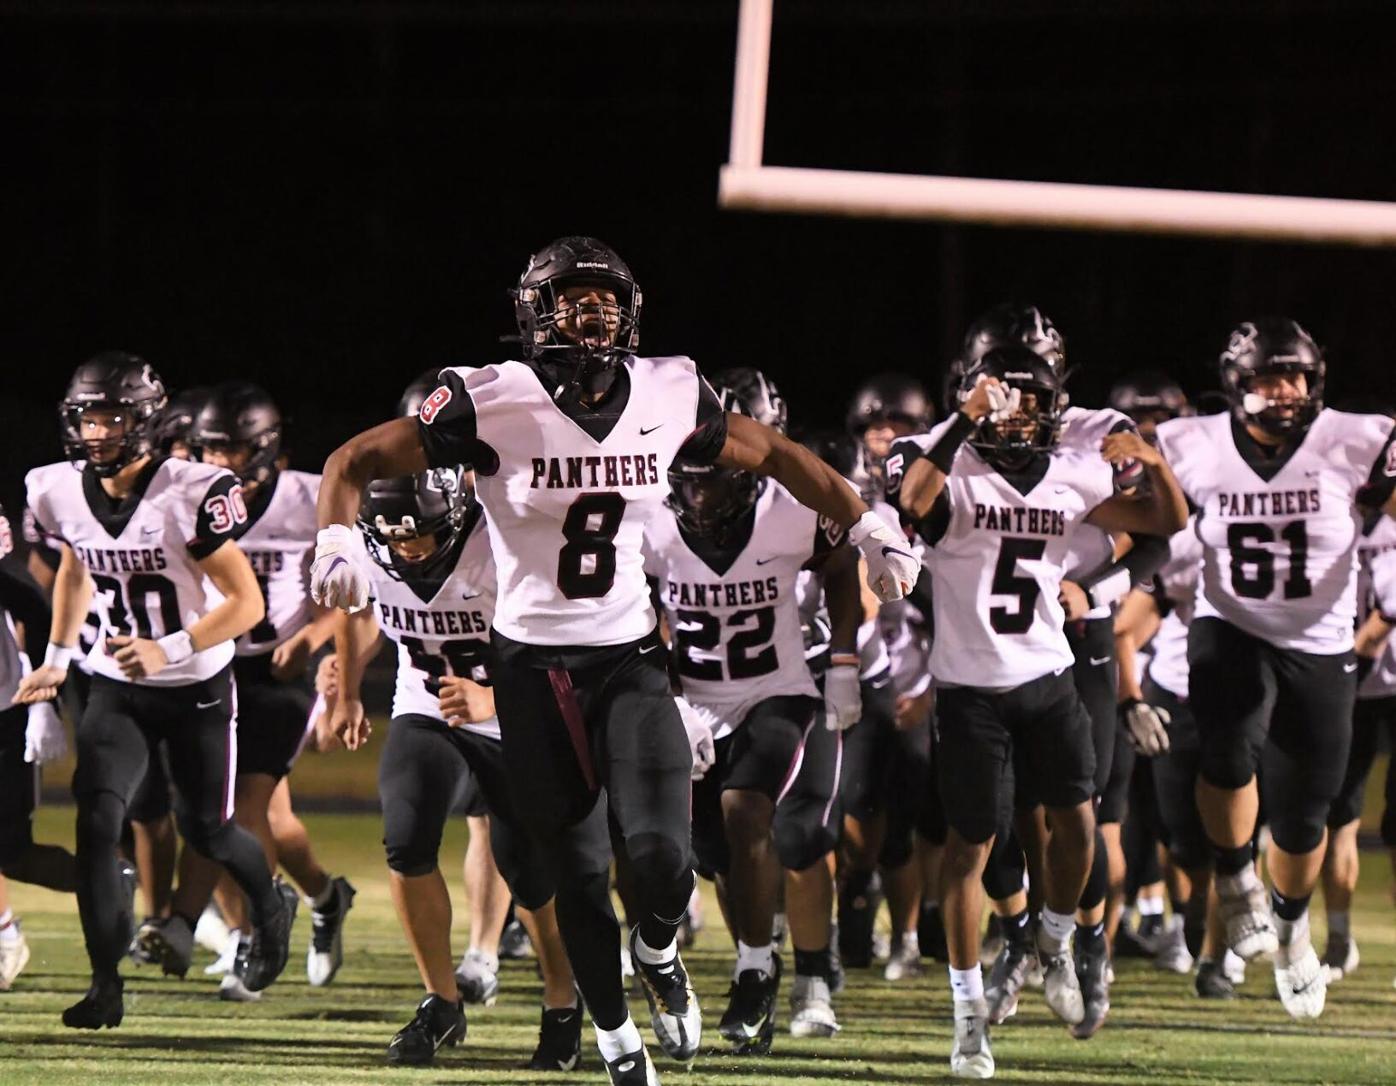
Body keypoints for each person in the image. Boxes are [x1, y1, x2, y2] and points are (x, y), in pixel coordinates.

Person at [309, 236, 919, 1085]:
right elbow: (354, 460)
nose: (590, 315)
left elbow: (778, 455)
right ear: (535, 314)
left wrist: (866, 524)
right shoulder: (492, 396)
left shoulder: (670, 388)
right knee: (579, 873)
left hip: (629, 658)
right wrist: (338, 538)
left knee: (665, 861)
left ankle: (659, 949)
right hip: (530, 669)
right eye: (571, 300)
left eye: (603, 299)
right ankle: (617, 1040)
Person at [887, 345, 1187, 1077]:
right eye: (1006, 399)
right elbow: (912, 502)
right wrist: (964, 420)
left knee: (1080, 822)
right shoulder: (948, 464)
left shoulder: (1072, 471)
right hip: (969, 691)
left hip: (1050, 677)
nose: (1019, 415)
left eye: (1032, 401)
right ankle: (968, 1017)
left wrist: (1155, 462)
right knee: (971, 850)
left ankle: (1053, 938)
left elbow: (1165, 521)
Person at [15, 352, 297, 1028]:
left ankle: (272, 906)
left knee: (209, 829)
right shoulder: (55, 488)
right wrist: (58, 658)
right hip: (116, 683)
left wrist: (166, 648)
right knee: (96, 822)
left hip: (195, 683)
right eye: (87, 419)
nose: (96, 433)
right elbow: (77, 565)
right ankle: (104, 984)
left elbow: (247, 602)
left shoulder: (189, 490)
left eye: (111, 418)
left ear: (143, 421)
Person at [1154, 318, 1396, 1019]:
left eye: (1295, 376)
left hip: (1322, 644)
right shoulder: (1189, 442)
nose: (1285, 390)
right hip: (1230, 623)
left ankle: (1291, 935)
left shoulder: (1357, 439)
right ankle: (1236, 880)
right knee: (1226, 751)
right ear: (1237, 383)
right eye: (1270, 376)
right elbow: (1134, 511)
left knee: (1303, 816)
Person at [335, 466, 592, 1070]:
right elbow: (356, 610)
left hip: (517, 725)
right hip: (427, 711)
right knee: (405, 838)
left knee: (530, 873)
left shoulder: (503, 545)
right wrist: (347, 690)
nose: (406, 547)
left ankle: (562, 1001)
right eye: (394, 536)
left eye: (418, 533)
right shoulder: (369, 547)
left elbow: (568, 652)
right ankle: (441, 1001)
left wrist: (495, 699)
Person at [644, 369, 861, 1051]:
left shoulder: (787, 511)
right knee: (713, 854)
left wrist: (845, 659)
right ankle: (756, 960)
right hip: (696, 700)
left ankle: (756, 971)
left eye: (711, 481)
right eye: (687, 482)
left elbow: (842, 565)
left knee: (749, 811)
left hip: (778, 690)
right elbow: (634, 615)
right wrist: (668, 697)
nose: (697, 495)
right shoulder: (652, 522)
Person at [166, 381, 352, 998]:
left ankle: (254, 940)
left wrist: (314, 638)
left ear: (267, 449)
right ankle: (324, 897)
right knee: (249, 815)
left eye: (234, 449)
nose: (220, 461)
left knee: (243, 807)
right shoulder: (184, 495)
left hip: (278, 668)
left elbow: (349, 590)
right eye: (211, 448)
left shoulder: (308, 497)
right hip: (211, 666)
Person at [0, 500, 80, 990]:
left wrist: (43, 698)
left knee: (12, 853)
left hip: (4, 711)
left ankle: (111, 881)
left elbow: (32, 606)